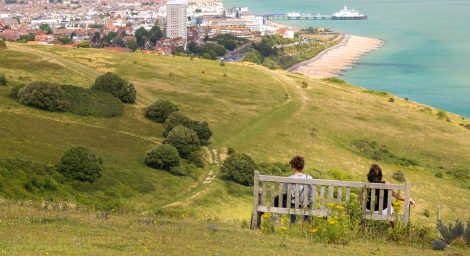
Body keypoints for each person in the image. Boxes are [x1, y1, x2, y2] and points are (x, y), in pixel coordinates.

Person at [286, 156, 313, 224]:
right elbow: (311, 192)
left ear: (293, 167)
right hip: (306, 203)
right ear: (303, 167)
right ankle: (306, 223)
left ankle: (292, 223)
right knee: (308, 202)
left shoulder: (289, 178)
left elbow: (288, 192)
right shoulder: (309, 177)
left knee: (292, 202)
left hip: (294, 203)